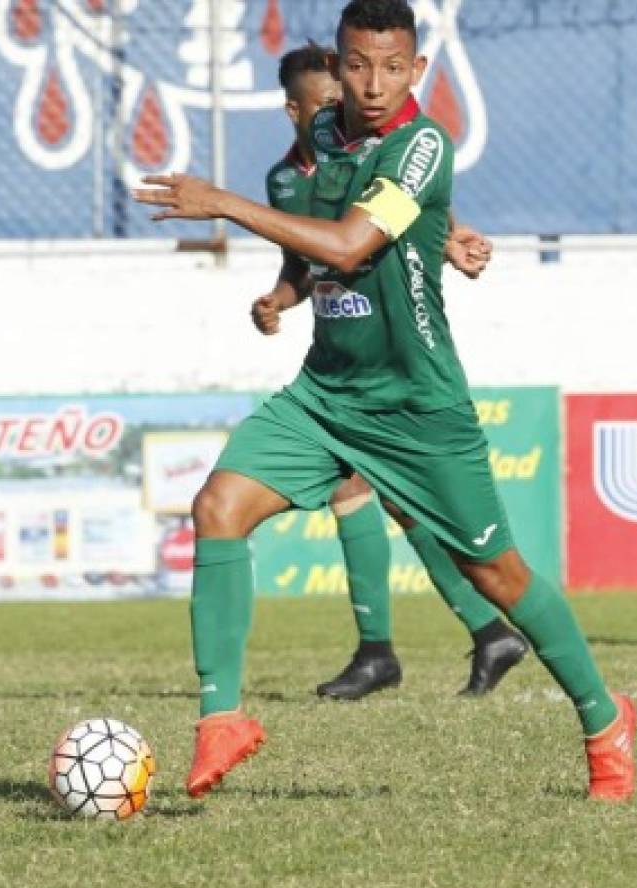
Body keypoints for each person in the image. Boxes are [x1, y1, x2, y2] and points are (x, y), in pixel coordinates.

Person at [135, 0, 637, 803]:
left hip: (416, 407)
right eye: (358, 65)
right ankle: (219, 719)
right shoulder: (327, 134)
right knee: (218, 505)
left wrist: (221, 202)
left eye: (392, 66)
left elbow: (351, 241)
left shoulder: (424, 140)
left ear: (417, 70)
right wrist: (441, 234)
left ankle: (605, 717)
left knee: (498, 575)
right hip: (327, 393)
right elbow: (349, 215)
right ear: (337, 66)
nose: (374, 83)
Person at [254, 42, 527, 701]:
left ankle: (391, 649)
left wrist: (453, 236)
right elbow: (307, 266)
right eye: (329, 101)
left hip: (392, 364)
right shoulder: (285, 182)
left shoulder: (387, 154)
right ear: (295, 111)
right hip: (339, 361)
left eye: (344, 97)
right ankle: (481, 632)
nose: (349, 106)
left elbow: (403, 212)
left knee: (378, 496)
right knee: (394, 501)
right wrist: (278, 300)